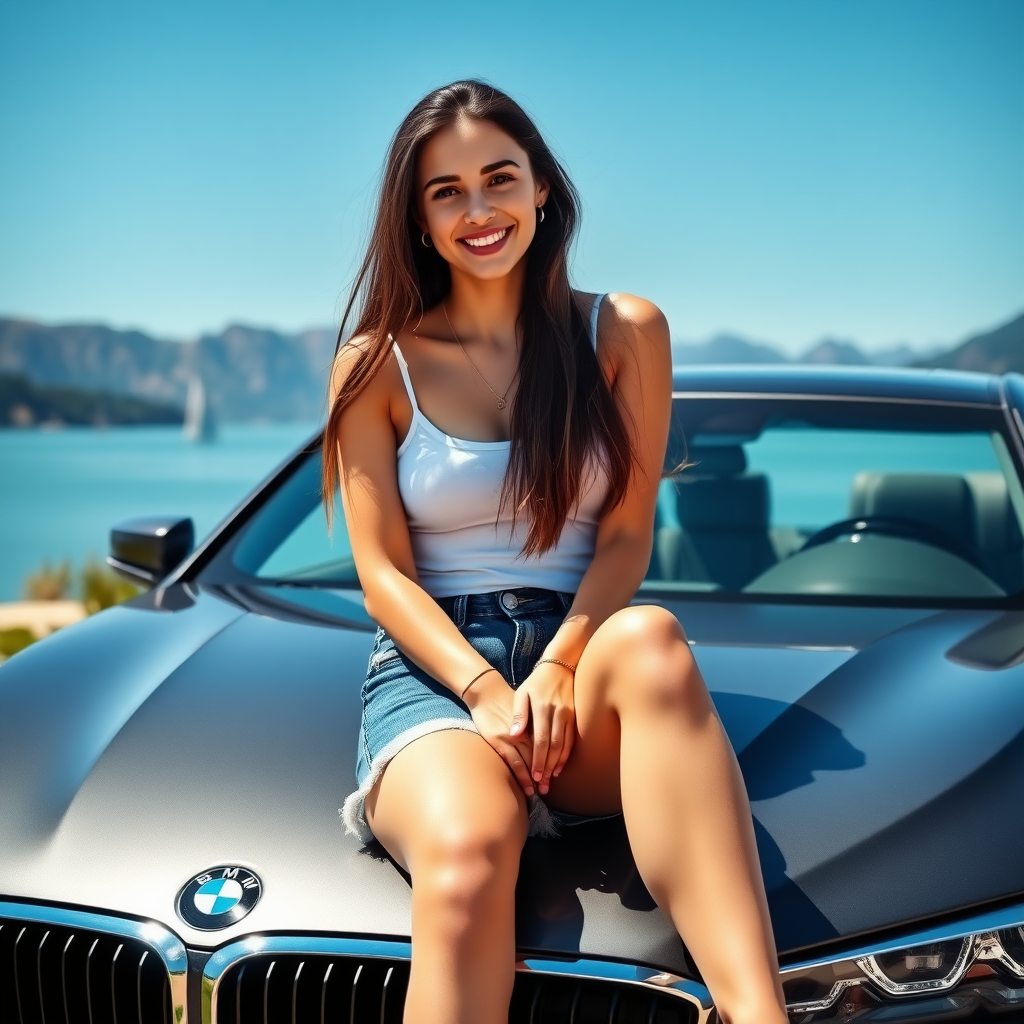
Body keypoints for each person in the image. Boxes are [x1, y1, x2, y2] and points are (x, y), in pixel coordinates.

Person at [323, 80, 787, 1024]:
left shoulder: (623, 333)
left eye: (500, 178)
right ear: (416, 218)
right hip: (431, 673)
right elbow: (382, 575)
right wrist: (487, 692)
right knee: (465, 861)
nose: (479, 209)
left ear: (543, 189)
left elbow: (623, 536)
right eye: (445, 191)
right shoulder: (377, 363)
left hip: (585, 654)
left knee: (652, 637)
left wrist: (558, 666)